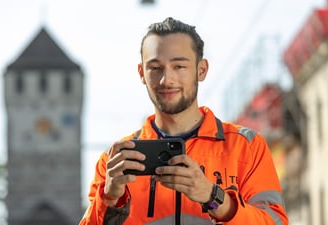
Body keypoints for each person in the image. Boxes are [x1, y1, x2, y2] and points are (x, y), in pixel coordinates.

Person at [79, 17, 288, 225]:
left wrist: (214, 198)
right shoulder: (116, 159)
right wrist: (110, 199)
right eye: (155, 67)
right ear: (142, 73)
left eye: (179, 66)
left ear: (201, 70)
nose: (166, 80)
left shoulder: (246, 147)